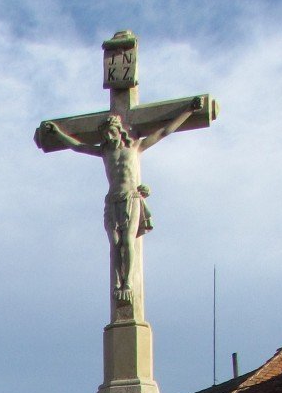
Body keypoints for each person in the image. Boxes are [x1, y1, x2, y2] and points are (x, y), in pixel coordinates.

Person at [38, 103, 200, 307]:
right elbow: (78, 146)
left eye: (110, 132)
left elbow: (164, 131)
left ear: (119, 130)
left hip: (130, 198)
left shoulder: (135, 147)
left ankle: (127, 283)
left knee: (127, 241)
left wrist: (189, 111)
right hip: (112, 199)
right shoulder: (105, 152)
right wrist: (58, 132)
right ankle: (117, 283)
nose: (108, 136)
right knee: (115, 244)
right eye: (105, 134)